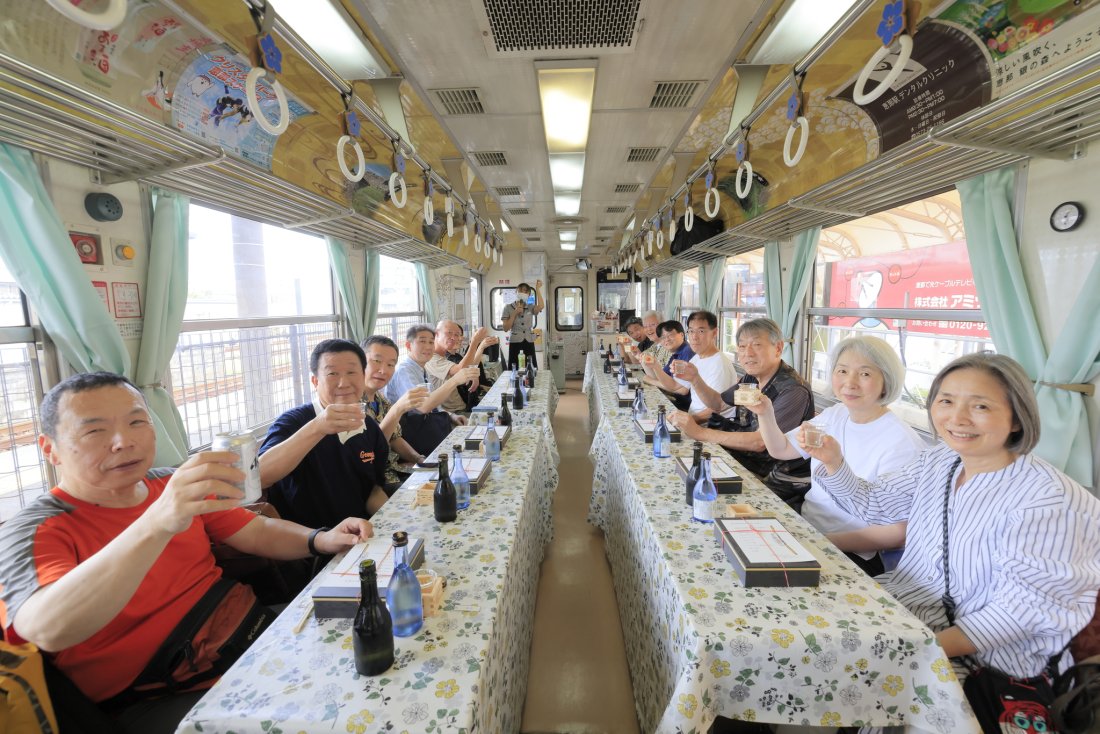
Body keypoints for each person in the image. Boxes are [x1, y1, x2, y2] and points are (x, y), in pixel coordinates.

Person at [0, 372, 371, 731]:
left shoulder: (167, 482)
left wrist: (320, 539)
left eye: (136, 422)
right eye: (95, 430)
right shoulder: (37, 528)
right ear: (50, 449)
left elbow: (254, 530)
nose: (122, 441)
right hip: (157, 695)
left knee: (374, 636)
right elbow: (47, 628)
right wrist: (158, 521)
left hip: (246, 634)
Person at [812, 352, 1100, 680]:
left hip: (986, 658)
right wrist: (834, 463)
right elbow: (877, 505)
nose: (957, 418)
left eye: (980, 406)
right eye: (946, 401)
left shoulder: (1050, 501)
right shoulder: (940, 460)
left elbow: (1019, 614)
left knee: (833, 669)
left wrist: (909, 649)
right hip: (903, 608)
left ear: (1017, 418)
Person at [744, 336, 926, 575]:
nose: (849, 382)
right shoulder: (836, 414)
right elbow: (781, 450)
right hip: (807, 525)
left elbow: (898, 532)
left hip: (852, 552)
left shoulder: (902, 442)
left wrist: (822, 541)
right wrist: (766, 413)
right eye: (842, 370)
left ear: (886, 381)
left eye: (865, 374)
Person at [668, 317, 814, 501]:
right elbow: (718, 404)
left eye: (757, 345)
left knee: (701, 491)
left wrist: (700, 432)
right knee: (684, 474)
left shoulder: (792, 390)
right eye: (742, 346)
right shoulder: (752, 379)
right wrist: (695, 379)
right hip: (748, 460)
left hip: (778, 477)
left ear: (778, 348)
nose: (748, 353)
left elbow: (760, 442)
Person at [259, 339, 395, 527]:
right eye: (332, 373)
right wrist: (318, 427)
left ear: (363, 376)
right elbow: (260, 476)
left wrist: (393, 523)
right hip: (311, 545)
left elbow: (372, 491)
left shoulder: (369, 427)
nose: (343, 383)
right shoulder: (294, 421)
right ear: (315, 381)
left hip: (360, 534)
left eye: (351, 372)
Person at [382, 324, 480, 456]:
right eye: (422, 341)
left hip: (429, 429)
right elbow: (423, 407)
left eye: (431, 342)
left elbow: (433, 403)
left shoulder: (421, 368)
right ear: (408, 345)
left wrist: (451, 416)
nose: (428, 346)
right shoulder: (404, 371)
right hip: (413, 438)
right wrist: (455, 380)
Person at [359, 335, 429, 492]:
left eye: (391, 364)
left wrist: (420, 460)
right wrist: (398, 408)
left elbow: (395, 439)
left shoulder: (380, 399)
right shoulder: (352, 405)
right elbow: (372, 450)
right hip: (376, 483)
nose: (384, 370)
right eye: (376, 361)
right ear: (360, 361)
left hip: (398, 471)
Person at [648, 310, 739, 421]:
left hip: (712, 426)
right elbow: (674, 386)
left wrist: (687, 420)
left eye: (701, 331)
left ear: (714, 333)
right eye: (691, 331)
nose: (694, 337)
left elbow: (717, 409)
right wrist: (655, 366)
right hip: (694, 418)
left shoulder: (719, 364)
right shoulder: (697, 358)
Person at [427, 320, 496, 413]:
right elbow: (461, 369)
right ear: (436, 334)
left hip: (462, 406)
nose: (454, 338)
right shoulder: (431, 358)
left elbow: (465, 371)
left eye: (457, 335)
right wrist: (475, 342)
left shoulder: (443, 356)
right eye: (449, 333)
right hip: (454, 412)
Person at [640, 319, 693, 411]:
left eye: (670, 335)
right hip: (676, 400)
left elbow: (682, 390)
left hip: (684, 406)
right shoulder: (676, 354)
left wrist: (651, 380)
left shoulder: (686, 352)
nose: (666, 339)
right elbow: (661, 379)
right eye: (663, 337)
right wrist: (646, 363)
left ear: (682, 335)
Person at [501, 280, 543, 369]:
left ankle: (531, 382)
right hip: (515, 341)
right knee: (515, 367)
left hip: (529, 340)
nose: (523, 293)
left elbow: (541, 306)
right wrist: (515, 313)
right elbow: (505, 328)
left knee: (531, 367)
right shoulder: (508, 307)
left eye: (526, 292)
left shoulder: (530, 307)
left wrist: (537, 289)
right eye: (521, 291)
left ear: (528, 295)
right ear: (516, 292)